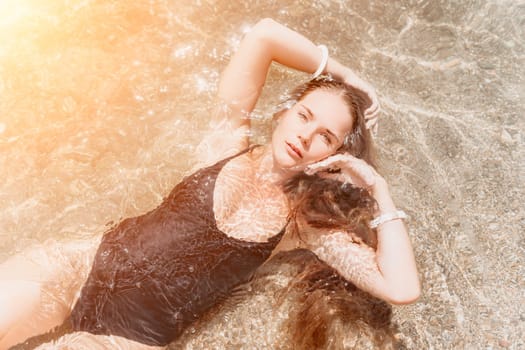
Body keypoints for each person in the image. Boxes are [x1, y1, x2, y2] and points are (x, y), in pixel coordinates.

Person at [0, 18, 420, 349]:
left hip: (127, 337)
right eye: (305, 116)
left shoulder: (303, 225)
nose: (306, 136)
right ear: (283, 114)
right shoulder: (226, 142)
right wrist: (345, 75)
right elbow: (264, 36)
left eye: (325, 137)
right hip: (79, 267)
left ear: (333, 157)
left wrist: (378, 189)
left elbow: (400, 288)